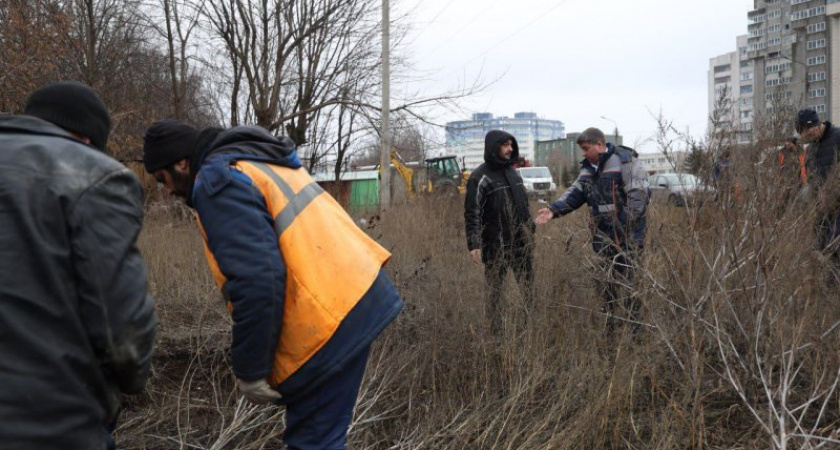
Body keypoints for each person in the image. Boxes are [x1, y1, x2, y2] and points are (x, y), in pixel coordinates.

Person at [142, 120, 403, 450]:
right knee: (323, 437)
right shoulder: (257, 160)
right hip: (354, 297)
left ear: (181, 163)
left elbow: (257, 280)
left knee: (313, 442)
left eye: (162, 179)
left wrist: (251, 368)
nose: (166, 190)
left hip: (328, 324)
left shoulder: (216, 181)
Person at [0, 81, 157, 449]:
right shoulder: (93, 175)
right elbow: (123, 327)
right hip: (48, 423)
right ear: (87, 141)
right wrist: (131, 379)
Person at [534, 127, 648, 333]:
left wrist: (623, 229)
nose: (584, 154)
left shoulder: (625, 161)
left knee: (631, 286)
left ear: (600, 145)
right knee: (607, 286)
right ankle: (611, 328)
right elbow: (575, 193)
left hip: (629, 238)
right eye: (582, 150)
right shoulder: (588, 169)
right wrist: (553, 210)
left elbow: (638, 198)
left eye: (586, 149)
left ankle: (635, 332)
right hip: (603, 238)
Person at [464, 130, 535, 337]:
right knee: (495, 293)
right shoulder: (480, 177)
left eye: (511, 145)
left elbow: (523, 205)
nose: (510, 149)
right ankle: (495, 334)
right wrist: (474, 243)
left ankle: (528, 329)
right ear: (494, 147)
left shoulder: (513, 172)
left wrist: (530, 231)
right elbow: (472, 211)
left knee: (528, 289)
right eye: (505, 145)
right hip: (496, 246)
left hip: (522, 244)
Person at [797, 108, 840, 265]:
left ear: (815, 125)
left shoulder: (838, 137)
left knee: (833, 248)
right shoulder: (811, 148)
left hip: (837, 205)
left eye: (807, 133)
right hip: (822, 209)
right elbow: (811, 177)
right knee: (820, 251)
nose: (806, 137)